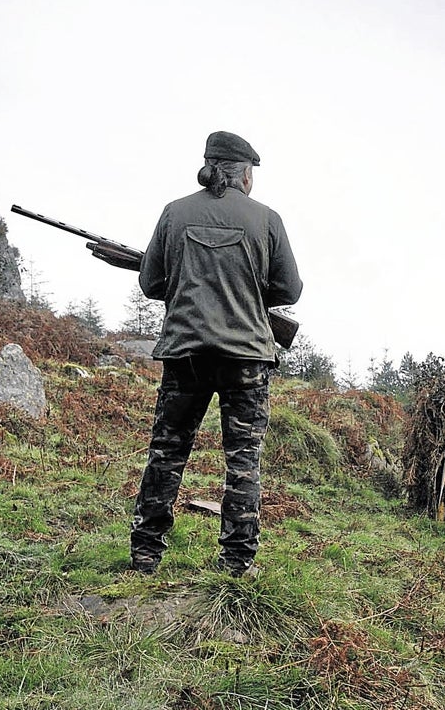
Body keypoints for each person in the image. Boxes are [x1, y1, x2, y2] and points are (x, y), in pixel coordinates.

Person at [129, 130, 303, 577]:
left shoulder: (174, 213)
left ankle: (146, 553)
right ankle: (237, 562)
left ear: (209, 165)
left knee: (167, 452)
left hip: (185, 353)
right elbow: (290, 290)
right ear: (244, 172)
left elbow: (150, 284)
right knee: (242, 461)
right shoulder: (267, 219)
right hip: (246, 358)